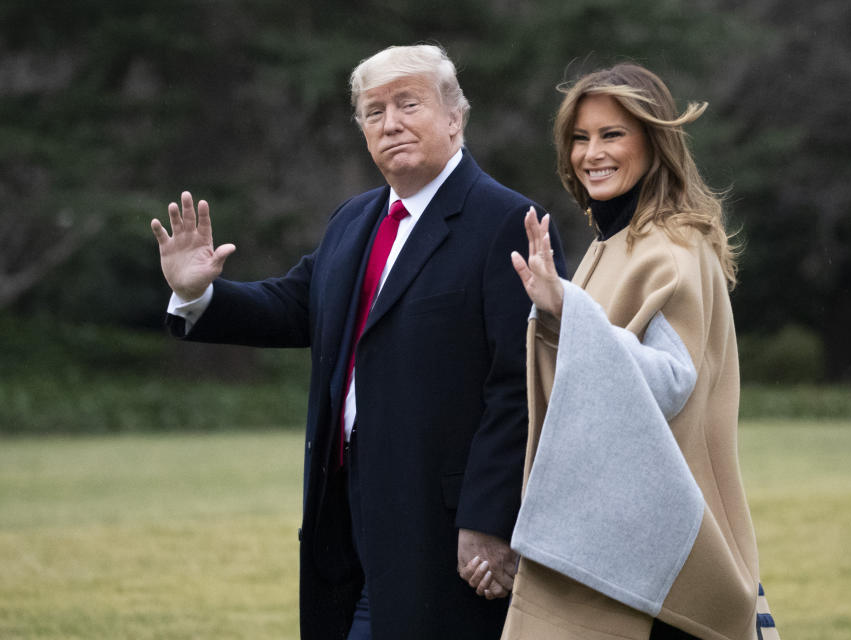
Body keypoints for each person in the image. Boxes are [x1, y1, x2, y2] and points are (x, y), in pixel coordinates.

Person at [149, 44, 565, 640]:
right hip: (343, 511)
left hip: (444, 523)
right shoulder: (354, 219)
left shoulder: (507, 221)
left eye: (407, 104)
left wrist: (489, 518)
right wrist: (199, 295)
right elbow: (299, 306)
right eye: (373, 112)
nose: (390, 123)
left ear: (455, 117)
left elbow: (521, 385)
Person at [492, 63, 779, 639]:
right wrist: (559, 312)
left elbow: (672, 383)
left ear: (655, 142)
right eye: (580, 137)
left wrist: (567, 311)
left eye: (611, 134)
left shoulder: (671, 244)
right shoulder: (611, 242)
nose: (591, 152)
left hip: (657, 550)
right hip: (620, 535)